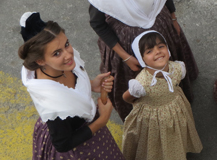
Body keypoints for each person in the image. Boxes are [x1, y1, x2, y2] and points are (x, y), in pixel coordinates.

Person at [18, 12, 125, 160]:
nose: (68, 54)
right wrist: (101, 120)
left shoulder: (61, 65)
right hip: (75, 145)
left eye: (66, 44)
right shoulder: (54, 104)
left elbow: (72, 89)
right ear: (40, 61)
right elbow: (62, 144)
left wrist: (91, 84)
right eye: (57, 53)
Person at [88, 0, 199, 121]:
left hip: (161, 26)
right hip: (127, 45)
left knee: (169, 70)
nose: (156, 52)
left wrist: (173, 18)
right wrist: (126, 57)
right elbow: (97, 23)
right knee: (140, 83)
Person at [122, 30, 202, 160]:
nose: (157, 52)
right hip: (152, 117)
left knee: (176, 133)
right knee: (155, 141)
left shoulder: (178, 68)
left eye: (161, 46)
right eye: (149, 51)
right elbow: (126, 97)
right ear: (142, 59)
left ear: (167, 49)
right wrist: (137, 104)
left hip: (176, 108)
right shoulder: (141, 83)